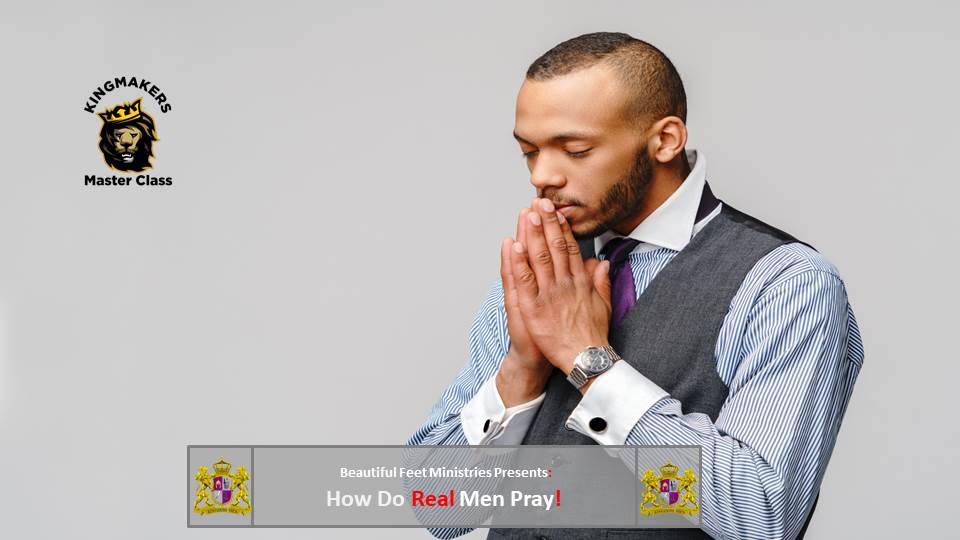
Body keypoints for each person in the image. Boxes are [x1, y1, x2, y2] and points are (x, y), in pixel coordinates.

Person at [407, 31, 864, 540]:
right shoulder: (544, 272)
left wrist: (589, 361)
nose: (543, 176)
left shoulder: (784, 284)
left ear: (665, 139)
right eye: (529, 151)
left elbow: (757, 516)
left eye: (575, 150)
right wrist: (522, 369)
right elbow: (439, 509)